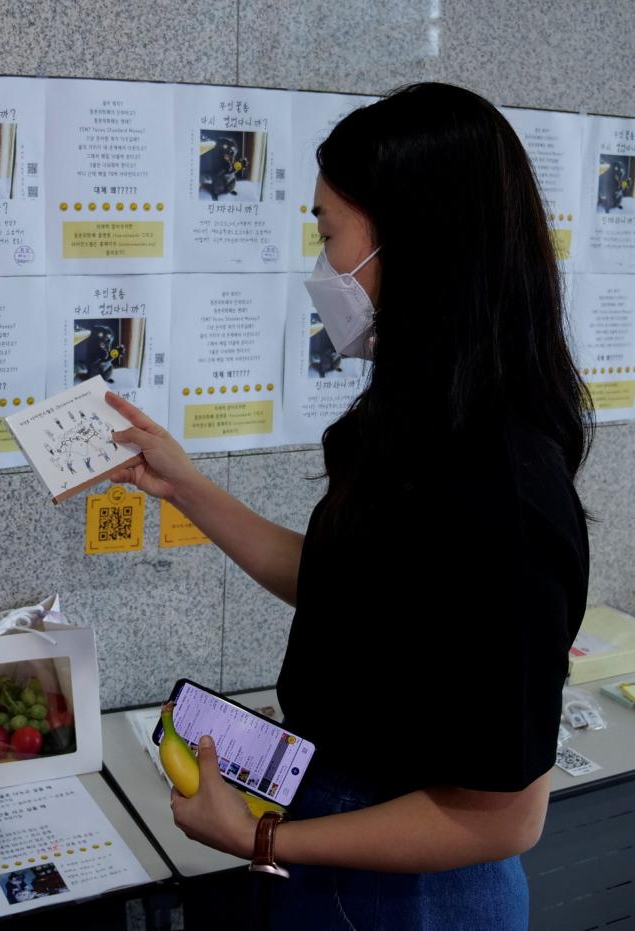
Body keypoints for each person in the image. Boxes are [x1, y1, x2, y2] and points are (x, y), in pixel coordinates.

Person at [108, 82, 591, 929]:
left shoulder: (502, 489)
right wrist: (181, 482)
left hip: (409, 891)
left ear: (415, 244)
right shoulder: (412, 431)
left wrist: (262, 837)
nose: (321, 266)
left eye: (328, 233)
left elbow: (504, 814)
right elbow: (346, 585)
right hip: (338, 842)